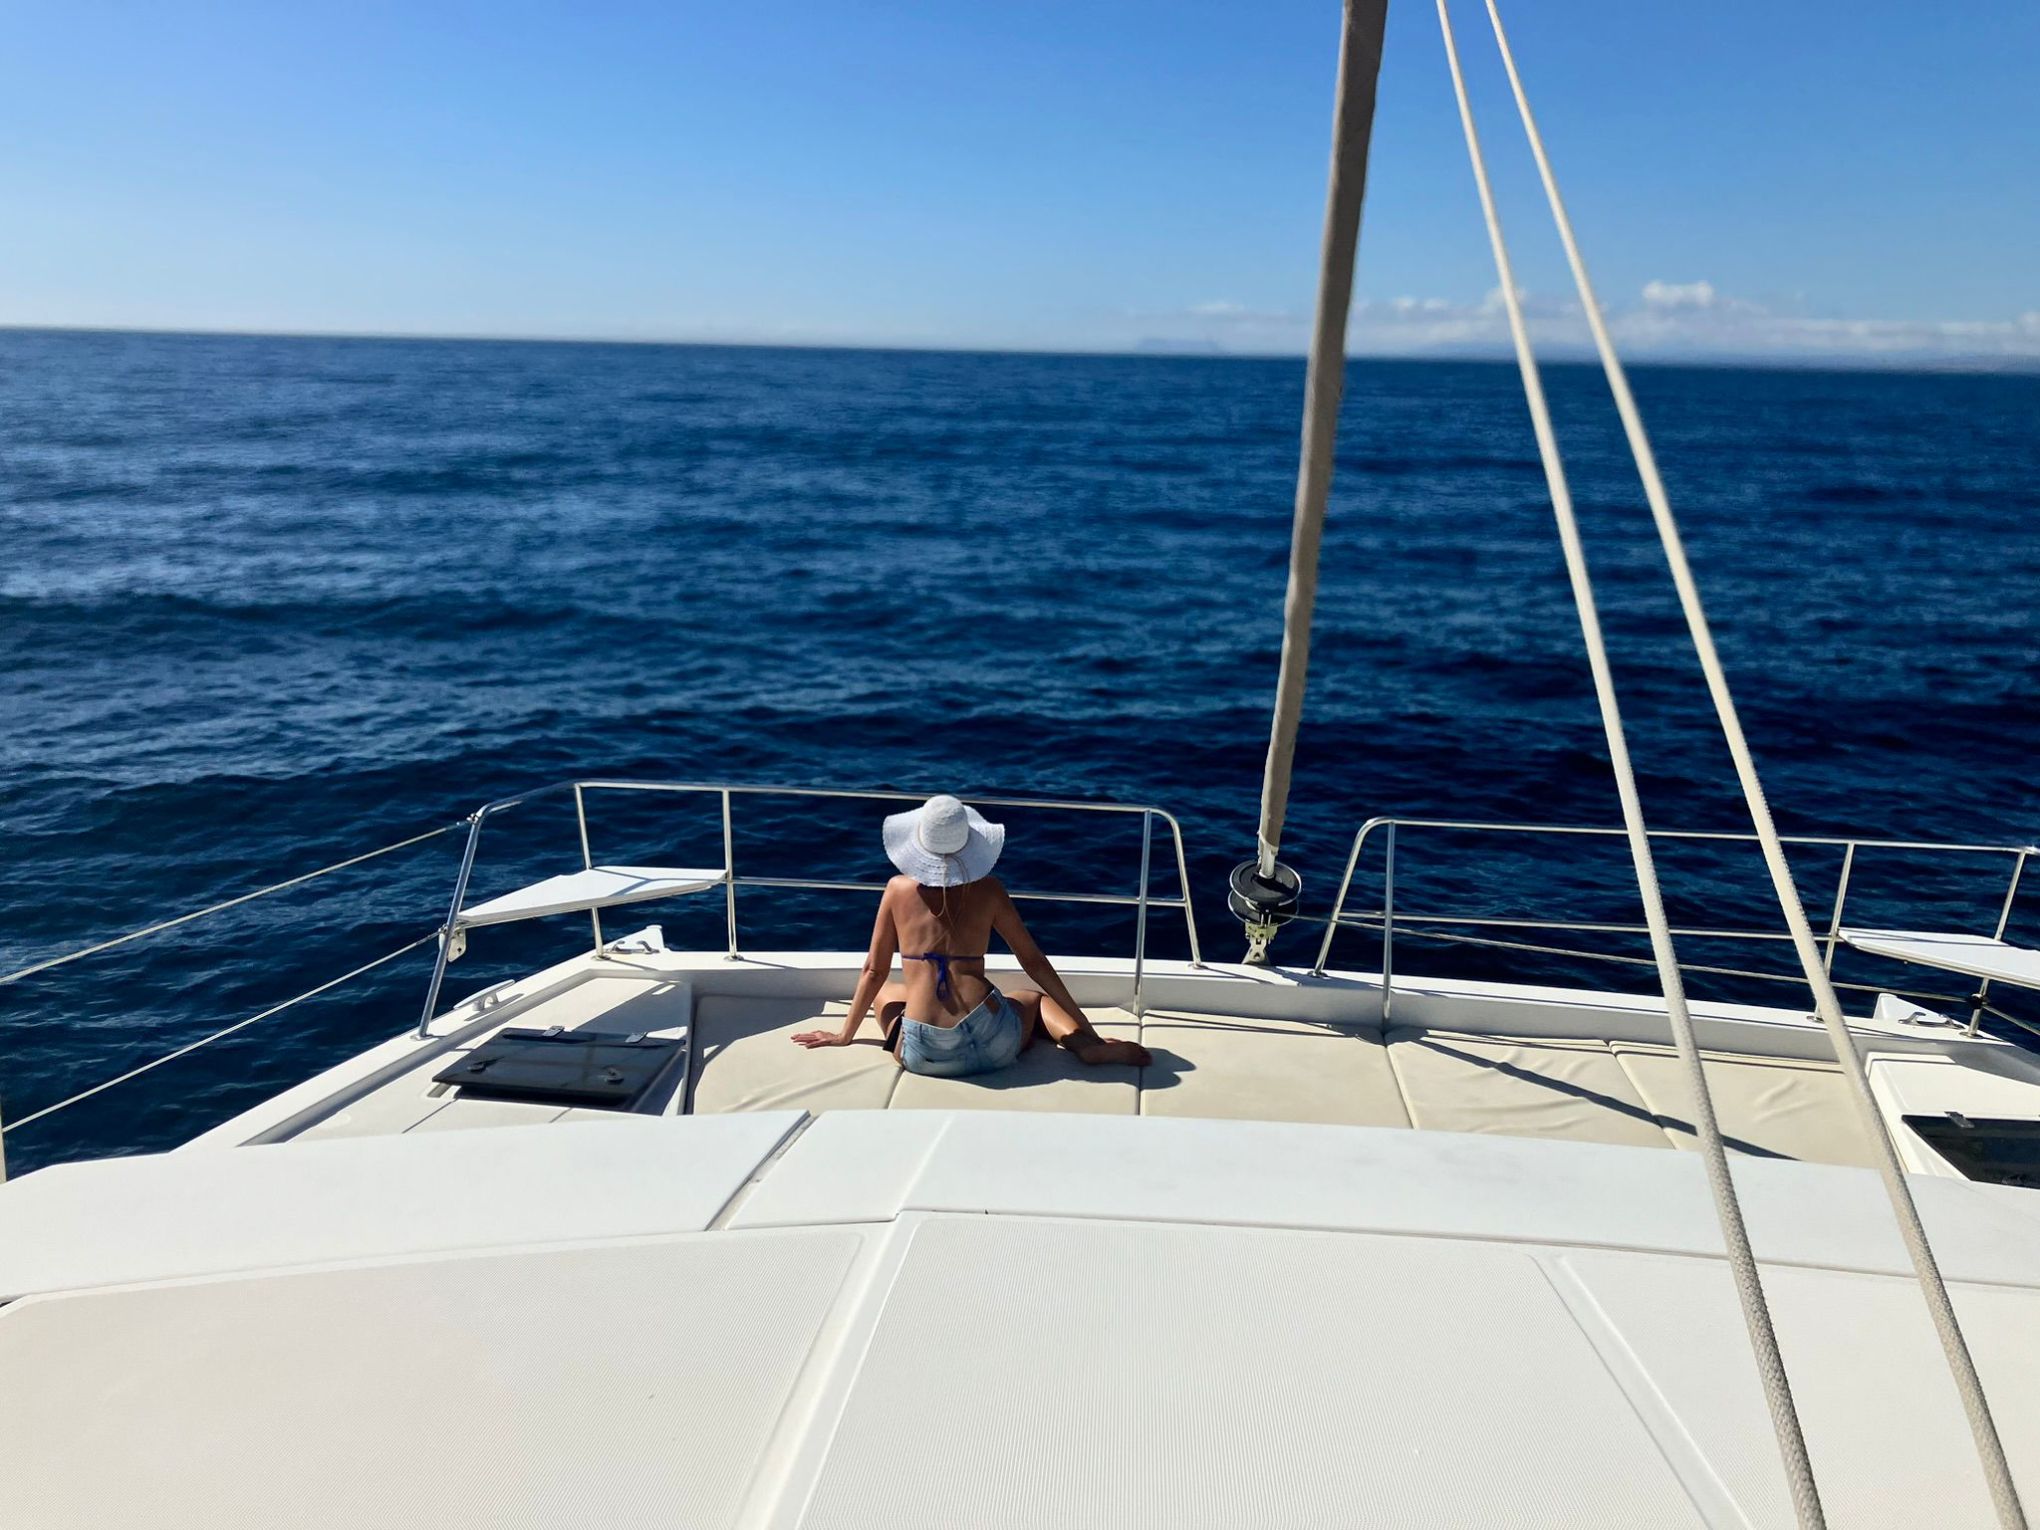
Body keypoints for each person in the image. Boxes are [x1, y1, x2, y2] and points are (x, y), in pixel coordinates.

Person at [792, 794, 1150, 1077]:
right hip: (993, 1043)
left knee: (886, 992)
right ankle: (1083, 1045)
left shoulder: (897, 890)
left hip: (922, 1054)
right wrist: (1090, 1031)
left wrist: (843, 1036)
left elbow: (874, 970)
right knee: (1030, 998)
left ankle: (919, 1026)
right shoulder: (989, 891)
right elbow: (1034, 962)